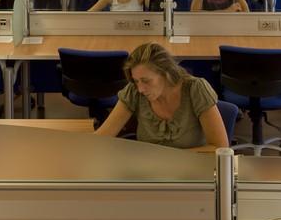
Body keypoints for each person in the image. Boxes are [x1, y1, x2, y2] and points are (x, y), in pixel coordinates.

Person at [96, 43, 229, 151]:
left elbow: (220, 147)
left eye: (146, 81)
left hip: (193, 169)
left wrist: (168, 158)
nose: (140, 89)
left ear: (166, 74)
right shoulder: (134, 91)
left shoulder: (196, 89)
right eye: (136, 81)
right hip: (150, 171)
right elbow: (102, 138)